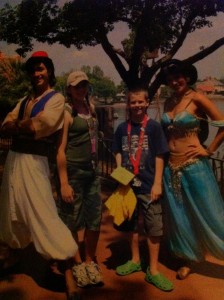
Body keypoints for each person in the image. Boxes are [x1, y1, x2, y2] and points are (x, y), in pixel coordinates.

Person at [0, 51, 79, 299]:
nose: (37, 74)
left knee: (45, 215)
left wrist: (22, 127)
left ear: (49, 72)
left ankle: (68, 276)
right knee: (11, 210)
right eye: (34, 70)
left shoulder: (56, 101)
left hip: (35, 163)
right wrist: (23, 127)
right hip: (14, 160)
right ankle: (13, 255)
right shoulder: (24, 100)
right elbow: (5, 125)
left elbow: (41, 126)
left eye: (41, 69)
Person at [160, 59, 224, 279]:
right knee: (181, 216)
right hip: (171, 167)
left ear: (187, 76)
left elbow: (223, 124)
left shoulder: (197, 98)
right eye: (169, 79)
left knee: (211, 215)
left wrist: (209, 150)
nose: (174, 81)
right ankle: (189, 258)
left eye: (177, 77)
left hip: (195, 167)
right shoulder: (168, 102)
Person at [112, 87, 174, 292]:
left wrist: (157, 183)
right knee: (130, 225)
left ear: (147, 103)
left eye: (140, 102)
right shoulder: (122, 128)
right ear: (128, 104)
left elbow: (159, 156)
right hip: (127, 186)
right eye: (133, 102)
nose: (137, 105)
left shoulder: (154, 128)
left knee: (154, 227)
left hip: (148, 185)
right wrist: (120, 173)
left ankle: (154, 270)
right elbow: (118, 152)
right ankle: (135, 260)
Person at [56, 71, 103, 288]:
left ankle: (89, 260)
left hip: (92, 172)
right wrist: (64, 183)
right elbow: (60, 149)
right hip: (73, 173)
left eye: (84, 85)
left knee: (95, 217)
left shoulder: (91, 109)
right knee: (72, 219)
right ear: (69, 89)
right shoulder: (66, 113)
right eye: (77, 86)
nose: (81, 89)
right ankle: (76, 262)